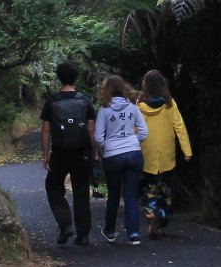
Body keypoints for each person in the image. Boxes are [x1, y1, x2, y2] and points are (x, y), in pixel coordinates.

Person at [39, 62, 96, 245]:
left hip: (60, 153)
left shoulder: (53, 101)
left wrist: (45, 155)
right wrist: (95, 151)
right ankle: (84, 234)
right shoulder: (85, 100)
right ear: (76, 77)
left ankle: (65, 225)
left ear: (58, 77)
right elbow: (91, 130)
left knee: (53, 187)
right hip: (82, 153)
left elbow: (46, 130)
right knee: (81, 191)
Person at [135, 69, 192, 238]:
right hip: (167, 155)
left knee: (149, 188)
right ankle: (161, 222)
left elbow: (134, 129)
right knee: (165, 189)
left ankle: (152, 214)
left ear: (145, 86)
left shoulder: (139, 106)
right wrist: (187, 151)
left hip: (147, 154)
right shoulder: (170, 104)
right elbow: (179, 127)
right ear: (162, 84)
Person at [93, 74, 148, 245]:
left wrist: (106, 149)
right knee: (130, 195)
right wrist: (133, 143)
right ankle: (134, 235)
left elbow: (98, 137)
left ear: (106, 90)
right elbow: (144, 132)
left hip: (113, 156)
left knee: (114, 195)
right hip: (134, 154)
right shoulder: (133, 107)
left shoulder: (104, 109)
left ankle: (110, 232)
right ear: (124, 88)